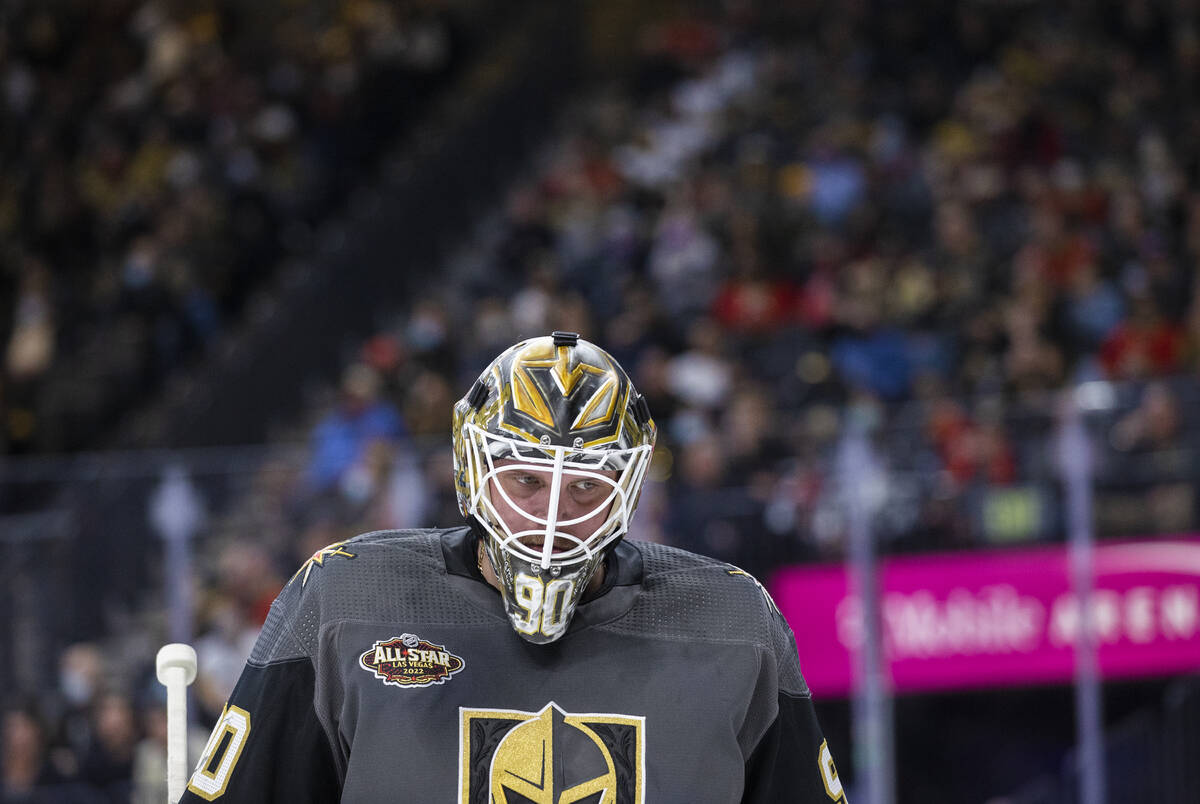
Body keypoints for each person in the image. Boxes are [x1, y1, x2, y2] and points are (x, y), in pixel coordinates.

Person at [179, 332, 846, 803]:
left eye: (586, 487)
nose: (552, 513)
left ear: (628, 491)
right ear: (475, 470)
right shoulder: (345, 599)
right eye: (526, 480)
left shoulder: (735, 623)